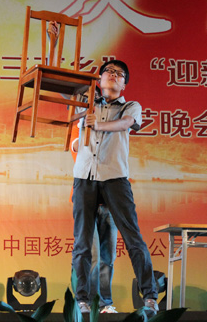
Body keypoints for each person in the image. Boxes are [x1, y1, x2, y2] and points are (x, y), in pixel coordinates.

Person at [71, 60, 158, 316]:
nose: (113, 75)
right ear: (99, 79)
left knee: (133, 239)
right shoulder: (86, 104)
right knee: (82, 243)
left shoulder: (130, 106)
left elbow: (126, 123)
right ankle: (82, 300)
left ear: (124, 84)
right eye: (108, 71)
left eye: (119, 74)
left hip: (115, 178)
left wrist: (96, 125)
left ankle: (150, 296)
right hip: (84, 178)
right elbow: (64, 91)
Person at [71, 113, 119, 314]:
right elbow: (77, 145)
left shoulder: (114, 132)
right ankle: (84, 300)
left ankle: (104, 303)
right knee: (90, 254)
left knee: (108, 257)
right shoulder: (81, 129)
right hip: (87, 201)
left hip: (110, 201)